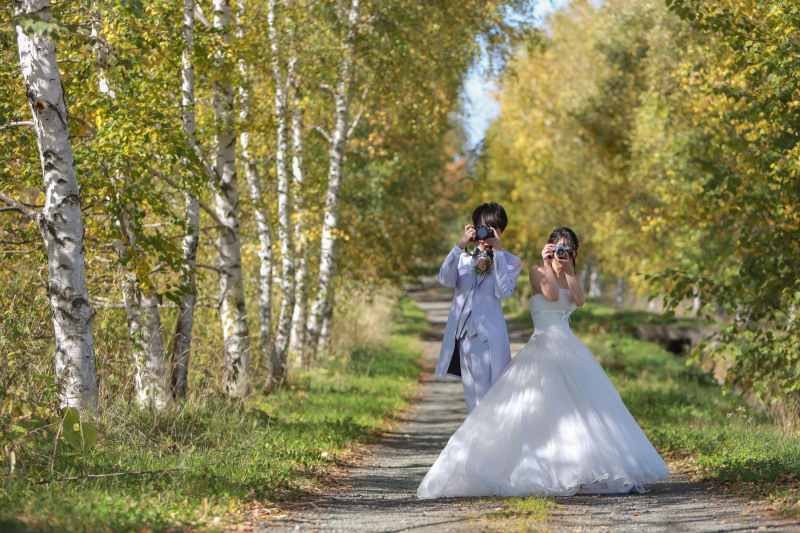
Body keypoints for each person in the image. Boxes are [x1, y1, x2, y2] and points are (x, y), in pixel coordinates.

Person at [418, 227, 669, 498]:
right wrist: (549, 263)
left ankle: (585, 468)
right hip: (542, 345)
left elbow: (580, 301)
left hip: (570, 348)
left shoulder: (573, 275)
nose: (561, 251)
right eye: (557, 246)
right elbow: (550, 294)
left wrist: (569, 271)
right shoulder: (536, 271)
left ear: (573, 253)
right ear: (549, 247)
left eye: (567, 248)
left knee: (582, 410)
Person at [435, 202, 522, 413]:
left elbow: (503, 292)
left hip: (489, 338)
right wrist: (459, 245)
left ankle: (488, 442)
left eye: (493, 229)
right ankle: (475, 442)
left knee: (488, 398)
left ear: (501, 230)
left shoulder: (511, 261)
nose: (488, 234)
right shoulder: (464, 258)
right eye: (484, 228)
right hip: (462, 336)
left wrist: (498, 253)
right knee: (471, 398)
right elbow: (444, 279)